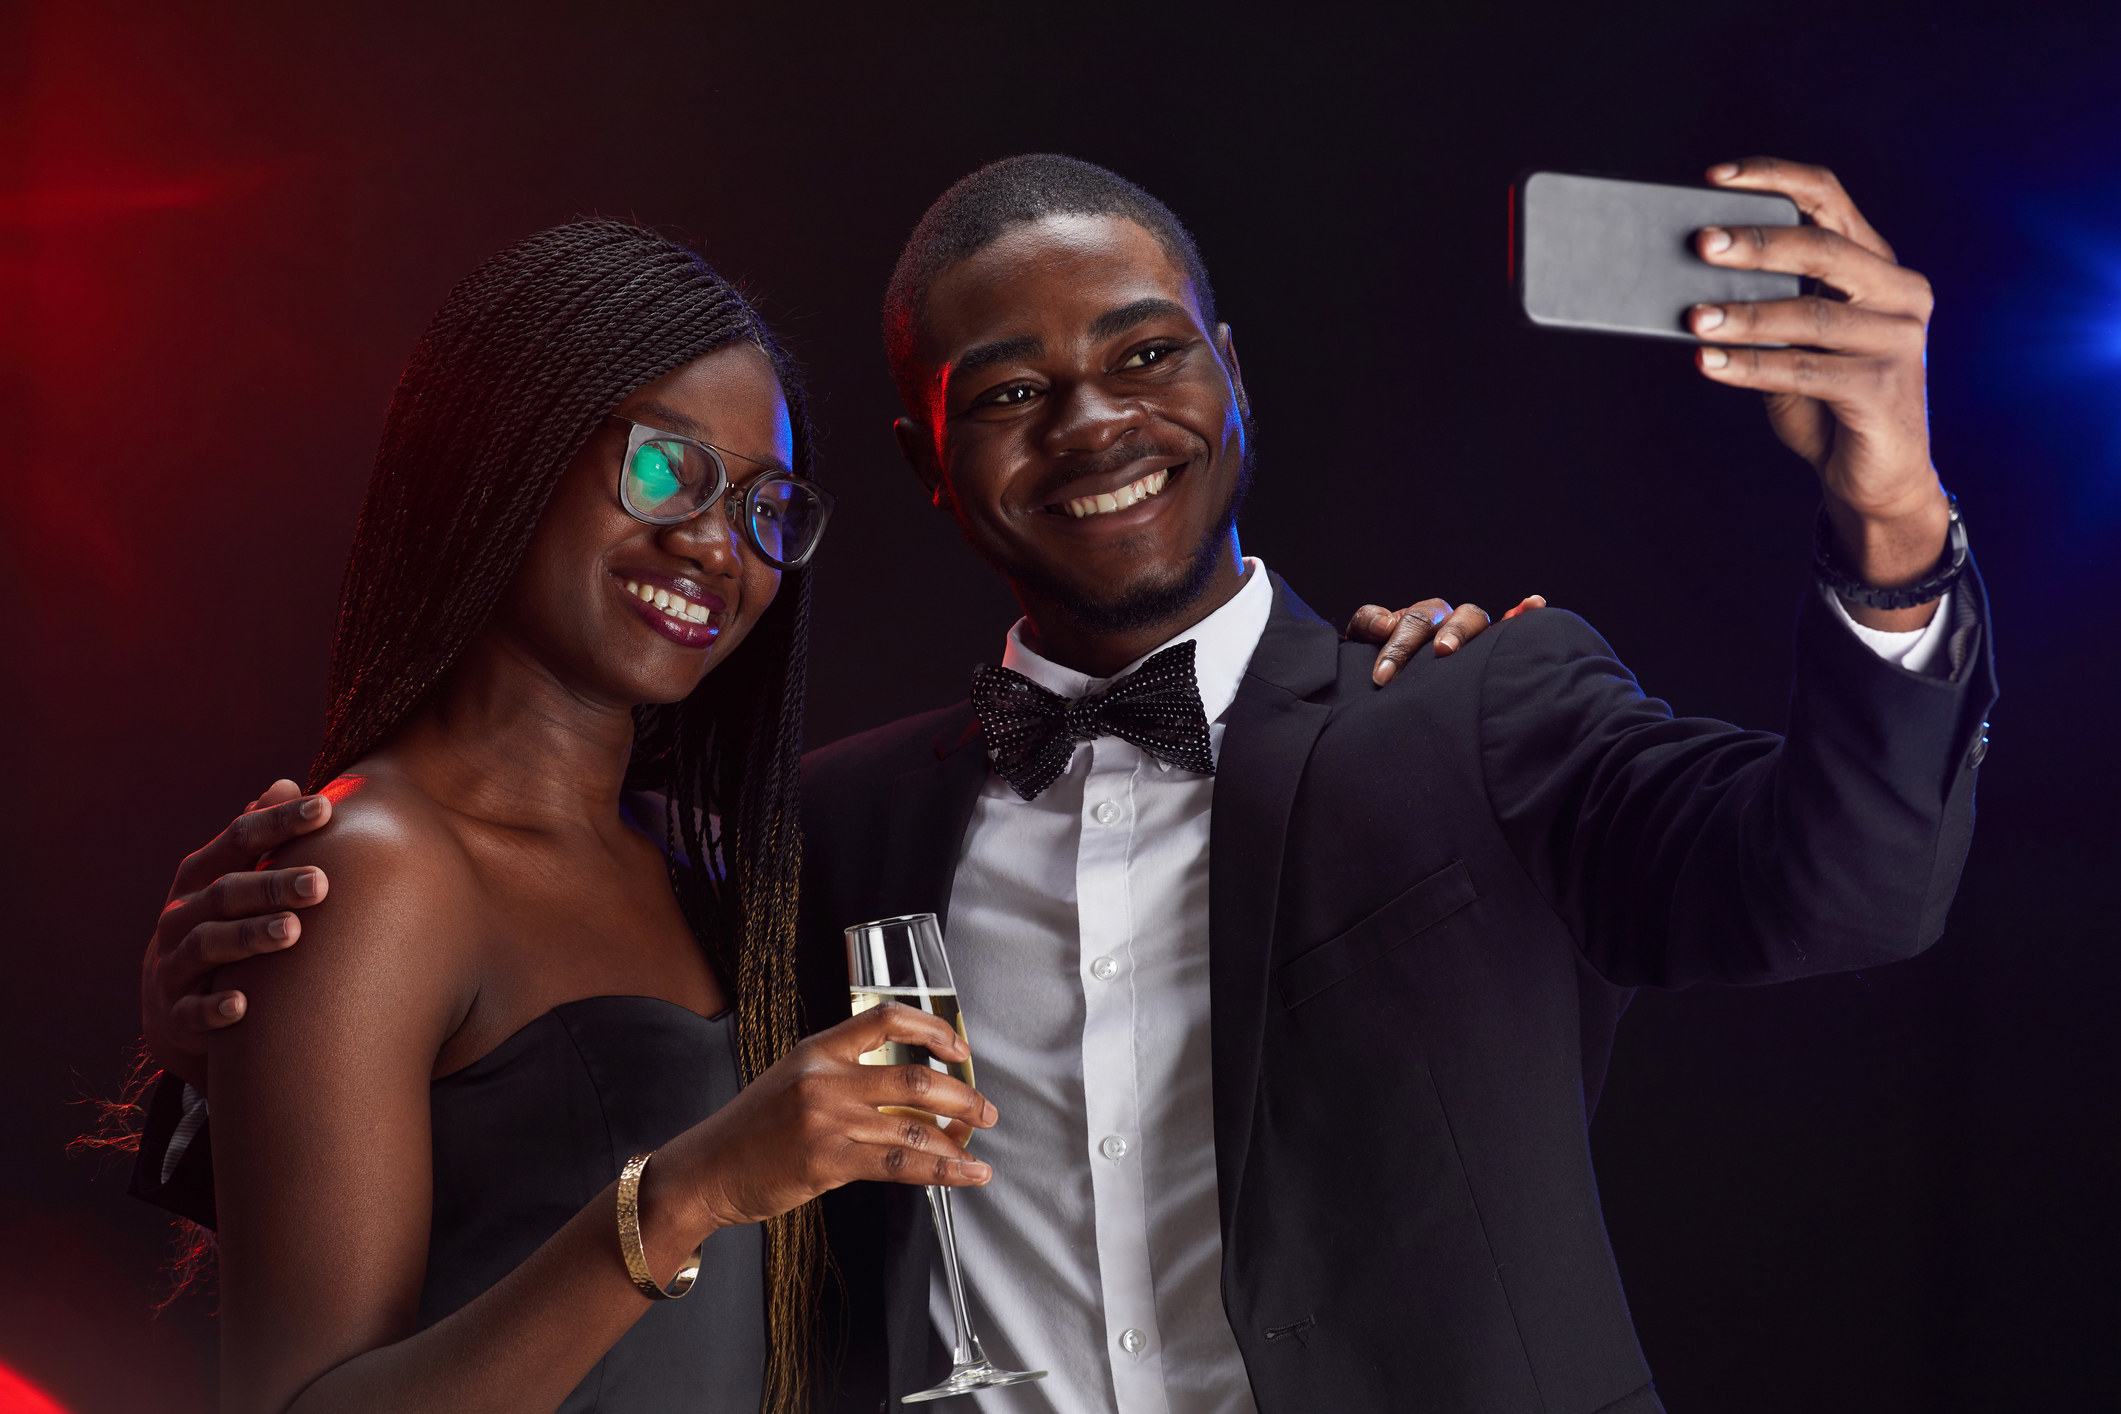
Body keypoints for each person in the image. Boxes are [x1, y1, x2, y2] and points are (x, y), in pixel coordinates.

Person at [134, 152, 1993, 1414]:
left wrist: (1890, 519)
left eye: (1146, 352)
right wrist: (203, 1041)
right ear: (934, 466)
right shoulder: (821, 837)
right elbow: (512, 1102)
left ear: (1232, 377)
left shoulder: (1478, 703)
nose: (1096, 416)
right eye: (1013, 389)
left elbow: (1850, 886)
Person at [175, 219, 1016, 1414]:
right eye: (668, 469)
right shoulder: (374, 866)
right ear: (505, 452)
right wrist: (690, 1189)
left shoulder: (700, 862)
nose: (714, 545)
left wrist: (1362, 691)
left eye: (764, 506)